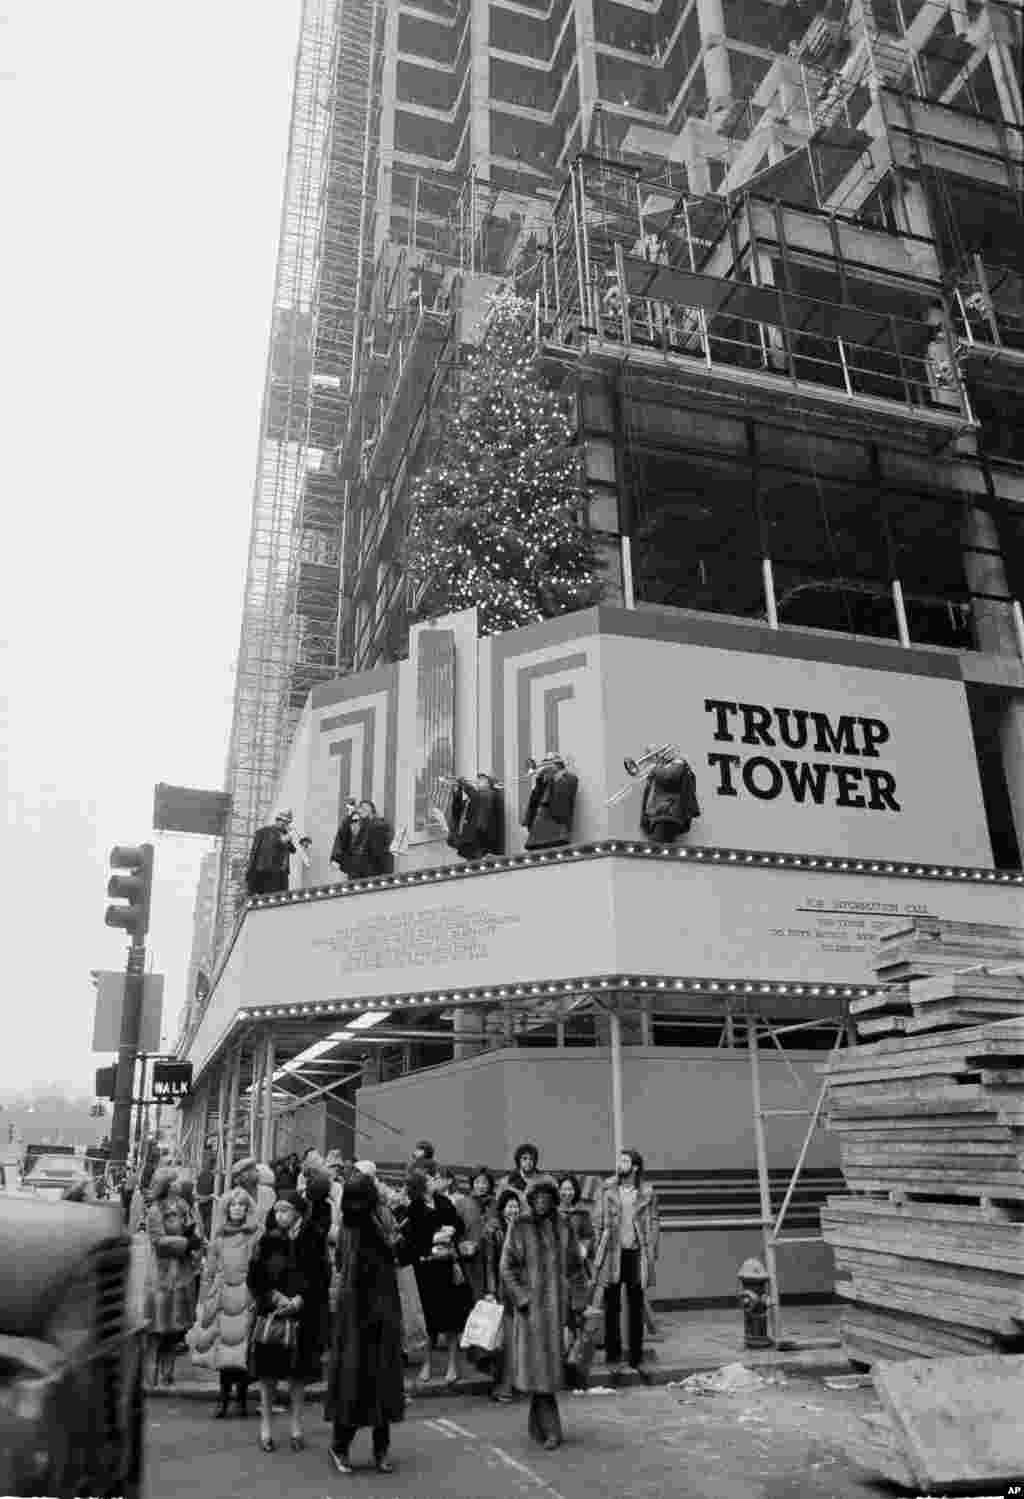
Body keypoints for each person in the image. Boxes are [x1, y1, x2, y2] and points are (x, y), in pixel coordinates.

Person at [326, 1173, 405, 1476]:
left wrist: (392, 1242)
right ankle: (340, 1444)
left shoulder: (379, 1218)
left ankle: (379, 1448)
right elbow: (342, 1264)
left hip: (379, 1305)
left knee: (380, 1376)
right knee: (355, 1377)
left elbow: (396, 1252)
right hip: (356, 1309)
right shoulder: (349, 1225)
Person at [246, 1189, 330, 1452]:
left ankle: (296, 1426)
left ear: (298, 1212)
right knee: (268, 1374)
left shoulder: (313, 1237)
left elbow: (321, 1275)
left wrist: (300, 1300)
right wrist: (274, 1297)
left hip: (303, 1314)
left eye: (286, 1210)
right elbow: (255, 1276)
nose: (280, 1215)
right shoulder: (267, 1239)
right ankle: (266, 1427)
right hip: (272, 1314)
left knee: (298, 1375)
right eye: (278, 1210)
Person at [500, 1175, 576, 1449]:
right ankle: (553, 1430)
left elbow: (577, 1267)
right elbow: (506, 1267)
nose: (542, 1202)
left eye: (547, 1197)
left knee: (544, 1371)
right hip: (531, 1313)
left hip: (556, 1312)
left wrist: (578, 1304)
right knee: (541, 1371)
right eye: (537, 1197)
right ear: (530, 1199)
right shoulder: (519, 1227)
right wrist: (523, 1297)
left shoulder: (564, 1226)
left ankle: (539, 1427)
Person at [188, 1186, 259, 1418]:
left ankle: (240, 1399)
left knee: (243, 1352)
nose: (237, 1209)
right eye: (233, 1204)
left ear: (248, 1209)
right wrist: (204, 1298)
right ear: (226, 1208)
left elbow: (260, 1268)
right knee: (223, 1351)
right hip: (222, 1296)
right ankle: (223, 1398)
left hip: (247, 1295)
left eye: (241, 1205)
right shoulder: (219, 1236)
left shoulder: (256, 1235)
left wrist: (257, 1295)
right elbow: (209, 1269)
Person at [396, 1169, 469, 1386]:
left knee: (451, 1319)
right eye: (428, 1179)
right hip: (425, 1268)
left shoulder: (444, 1201)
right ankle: (426, 1363)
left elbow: (459, 1225)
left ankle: (453, 1364)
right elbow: (413, 1238)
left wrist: (450, 1232)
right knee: (427, 1318)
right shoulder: (414, 1207)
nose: (433, 1181)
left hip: (448, 1264)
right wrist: (435, 1236)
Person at [593, 1149, 660, 1373]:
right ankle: (612, 1356)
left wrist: (651, 1252)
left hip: (636, 1254)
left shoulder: (647, 1192)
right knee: (611, 1306)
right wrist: (598, 1249)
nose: (620, 1164)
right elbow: (598, 1222)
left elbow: (653, 1223)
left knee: (636, 1306)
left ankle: (636, 1357)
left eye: (625, 1161)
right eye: (620, 1160)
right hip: (613, 1252)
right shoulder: (607, 1189)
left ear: (635, 1167)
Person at [144, 1170, 202, 1386]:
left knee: (174, 1331)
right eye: (175, 1180)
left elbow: (196, 1230)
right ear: (166, 1185)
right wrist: (186, 1244)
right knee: (156, 1330)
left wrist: (196, 1243)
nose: (179, 1184)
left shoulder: (184, 1206)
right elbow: (158, 1241)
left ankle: (168, 1375)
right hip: (162, 1276)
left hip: (183, 1275)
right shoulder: (155, 1210)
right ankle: (151, 1376)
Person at [486, 1188, 522, 1401]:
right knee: (503, 1342)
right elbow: (489, 1262)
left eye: (516, 1205)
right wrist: (490, 1291)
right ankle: (503, 1386)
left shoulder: (525, 1228)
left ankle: (511, 1385)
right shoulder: (493, 1230)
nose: (513, 1209)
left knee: (515, 1341)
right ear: (502, 1209)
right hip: (502, 1291)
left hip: (521, 1291)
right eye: (509, 1206)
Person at [557, 1173, 595, 1334]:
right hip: (556, 1270)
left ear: (576, 1191)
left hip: (577, 1271)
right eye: (564, 1189)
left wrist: (583, 1249)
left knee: (578, 1312)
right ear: (558, 1191)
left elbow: (588, 1236)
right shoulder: (552, 1213)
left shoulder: (582, 1213)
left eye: (570, 1189)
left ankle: (576, 1351)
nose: (567, 1192)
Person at [639, 750, 700, 846]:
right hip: (659, 814)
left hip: (668, 813)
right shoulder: (663, 767)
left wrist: (655, 765)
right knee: (657, 850)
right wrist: (645, 814)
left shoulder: (679, 764)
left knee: (659, 851)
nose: (654, 756)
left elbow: (669, 777)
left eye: (655, 754)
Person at [522, 754, 578, 850]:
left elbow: (563, 796)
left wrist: (554, 776)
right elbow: (535, 799)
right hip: (541, 818)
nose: (544, 768)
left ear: (557, 764)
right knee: (535, 847)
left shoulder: (569, 777)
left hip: (556, 819)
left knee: (554, 845)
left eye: (547, 763)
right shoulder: (545, 779)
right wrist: (539, 779)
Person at [446, 774, 504, 861]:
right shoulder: (472, 799)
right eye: (478, 779)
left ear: (489, 784)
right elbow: (457, 811)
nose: (477, 781)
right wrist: (457, 792)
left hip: (482, 840)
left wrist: (464, 784)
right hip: (470, 841)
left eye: (482, 780)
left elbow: (477, 797)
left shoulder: (489, 794)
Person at [246, 810, 298, 898]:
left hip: (281, 873)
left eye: (287, 823)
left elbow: (293, 850)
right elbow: (257, 852)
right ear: (278, 820)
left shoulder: (286, 834)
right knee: (266, 897)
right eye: (284, 822)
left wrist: (290, 837)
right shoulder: (265, 832)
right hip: (267, 871)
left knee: (281, 897)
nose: (285, 825)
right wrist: (250, 873)